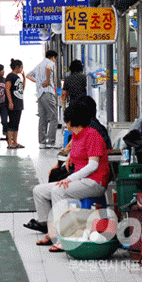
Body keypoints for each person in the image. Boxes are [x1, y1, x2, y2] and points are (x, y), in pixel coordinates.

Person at [24, 101, 110, 252]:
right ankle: (51, 233)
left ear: (73, 121)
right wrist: (70, 158)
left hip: (95, 182)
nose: (66, 124)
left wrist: (69, 179)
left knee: (59, 191)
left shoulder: (93, 135)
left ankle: (65, 237)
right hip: (81, 180)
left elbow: (93, 165)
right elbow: (76, 153)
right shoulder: (76, 136)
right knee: (39, 191)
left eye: (67, 121)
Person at [49, 95, 111, 182]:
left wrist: (61, 165)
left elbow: (92, 162)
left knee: (56, 176)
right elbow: (71, 147)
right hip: (84, 164)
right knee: (56, 173)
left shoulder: (90, 129)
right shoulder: (89, 126)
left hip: (91, 170)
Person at [27, 50, 59, 149]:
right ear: (53, 57)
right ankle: (50, 141)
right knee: (53, 118)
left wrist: (37, 82)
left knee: (42, 118)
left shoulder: (39, 65)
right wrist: (48, 81)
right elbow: (49, 68)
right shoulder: (50, 63)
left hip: (40, 94)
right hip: (48, 93)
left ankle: (42, 142)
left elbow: (28, 75)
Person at [5, 59, 25, 149]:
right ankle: (10, 142)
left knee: (16, 123)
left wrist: (24, 79)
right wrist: (10, 101)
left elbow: (21, 89)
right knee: (12, 123)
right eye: (21, 67)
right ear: (17, 67)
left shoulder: (18, 77)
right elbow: (7, 89)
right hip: (13, 103)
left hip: (19, 103)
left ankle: (15, 142)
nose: (22, 69)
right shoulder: (10, 76)